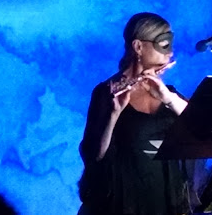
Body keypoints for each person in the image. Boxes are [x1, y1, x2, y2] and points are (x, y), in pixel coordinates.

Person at [78, 12, 191, 215]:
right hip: (125, 201)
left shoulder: (169, 93)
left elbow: (201, 124)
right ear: (138, 47)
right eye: (163, 45)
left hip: (166, 198)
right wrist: (113, 115)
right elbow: (94, 155)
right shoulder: (106, 93)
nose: (170, 54)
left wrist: (168, 98)